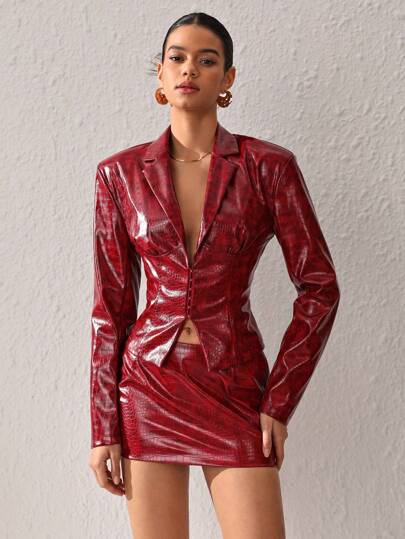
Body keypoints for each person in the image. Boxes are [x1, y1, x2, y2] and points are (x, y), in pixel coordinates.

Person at [88, 12, 340, 539]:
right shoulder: (119, 175)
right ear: (160, 72)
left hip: (236, 384)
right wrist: (102, 425)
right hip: (148, 386)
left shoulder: (268, 167)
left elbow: (319, 287)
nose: (189, 69)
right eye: (177, 58)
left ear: (227, 78)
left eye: (207, 60)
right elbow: (110, 310)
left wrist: (279, 401)